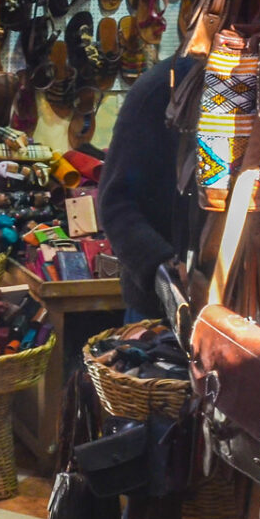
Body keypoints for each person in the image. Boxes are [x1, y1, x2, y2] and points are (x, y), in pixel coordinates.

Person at [94, 53, 201, 321]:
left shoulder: (256, 91)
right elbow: (115, 201)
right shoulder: (160, 89)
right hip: (160, 309)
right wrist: (161, 269)